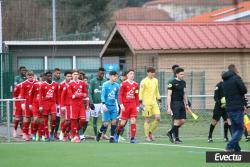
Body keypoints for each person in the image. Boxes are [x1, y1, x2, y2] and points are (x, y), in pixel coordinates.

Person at [222, 64, 247, 152]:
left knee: (235, 129)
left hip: (229, 108)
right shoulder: (236, 78)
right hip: (237, 107)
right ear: (234, 70)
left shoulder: (224, 81)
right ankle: (229, 147)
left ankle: (237, 149)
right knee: (240, 129)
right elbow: (244, 90)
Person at [115, 69, 139, 143]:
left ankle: (132, 138)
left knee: (133, 121)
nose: (132, 75)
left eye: (133, 74)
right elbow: (120, 95)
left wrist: (137, 106)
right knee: (122, 123)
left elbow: (136, 96)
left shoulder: (136, 85)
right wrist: (121, 104)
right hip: (125, 105)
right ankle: (117, 134)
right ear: (127, 75)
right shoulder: (123, 84)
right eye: (131, 73)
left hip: (133, 105)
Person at [167, 67, 189, 144]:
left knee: (183, 121)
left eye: (183, 74)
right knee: (176, 121)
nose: (183, 75)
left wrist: (186, 104)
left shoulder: (183, 82)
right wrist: (169, 107)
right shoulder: (172, 82)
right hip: (174, 103)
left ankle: (170, 132)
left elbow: (184, 94)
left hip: (181, 103)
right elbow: (169, 95)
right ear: (177, 74)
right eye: (181, 74)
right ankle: (176, 138)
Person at [208, 72, 232, 143]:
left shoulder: (229, 85)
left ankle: (226, 137)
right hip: (218, 107)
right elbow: (215, 97)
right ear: (222, 77)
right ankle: (210, 136)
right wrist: (220, 103)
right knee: (214, 122)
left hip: (226, 107)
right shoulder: (218, 85)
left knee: (227, 121)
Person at [96, 71, 119, 143]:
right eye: (114, 76)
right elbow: (102, 95)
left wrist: (118, 105)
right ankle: (99, 133)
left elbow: (117, 97)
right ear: (110, 76)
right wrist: (103, 104)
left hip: (113, 106)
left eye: (116, 76)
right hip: (106, 106)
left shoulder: (117, 86)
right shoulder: (105, 84)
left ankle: (112, 137)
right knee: (106, 123)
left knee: (114, 121)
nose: (116, 78)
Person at [139, 67, 161, 142]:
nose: (152, 74)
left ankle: (150, 132)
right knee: (147, 120)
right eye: (151, 72)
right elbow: (140, 92)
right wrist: (140, 101)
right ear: (147, 73)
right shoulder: (143, 81)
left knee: (158, 118)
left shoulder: (156, 80)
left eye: (153, 72)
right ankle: (147, 136)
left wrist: (159, 98)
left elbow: (157, 90)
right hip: (146, 103)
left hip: (154, 102)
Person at [67, 70, 88, 143]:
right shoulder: (70, 83)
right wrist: (79, 95)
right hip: (73, 105)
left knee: (83, 120)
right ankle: (75, 136)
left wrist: (77, 95)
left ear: (78, 75)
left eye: (77, 74)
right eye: (74, 74)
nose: (75, 75)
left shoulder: (82, 83)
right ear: (72, 76)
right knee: (74, 120)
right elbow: (71, 96)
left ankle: (74, 131)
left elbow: (85, 94)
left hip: (81, 104)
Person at [88, 68, 107, 139]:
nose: (102, 74)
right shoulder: (93, 81)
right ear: (98, 73)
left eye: (103, 73)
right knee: (95, 119)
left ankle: (103, 134)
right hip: (95, 103)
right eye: (101, 73)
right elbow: (89, 92)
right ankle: (96, 136)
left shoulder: (105, 81)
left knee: (106, 120)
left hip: (103, 103)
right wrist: (91, 102)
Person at [39, 71, 58, 141]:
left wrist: (58, 104)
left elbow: (57, 94)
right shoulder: (42, 85)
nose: (50, 77)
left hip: (53, 104)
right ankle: (47, 135)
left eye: (51, 76)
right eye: (48, 76)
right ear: (46, 77)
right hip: (45, 104)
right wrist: (40, 106)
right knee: (45, 120)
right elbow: (40, 96)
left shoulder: (55, 84)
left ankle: (52, 133)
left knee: (53, 119)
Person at [20, 71, 37, 141]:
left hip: (34, 103)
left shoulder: (36, 82)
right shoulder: (24, 84)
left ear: (34, 76)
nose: (31, 77)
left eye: (32, 76)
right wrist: (22, 103)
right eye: (29, 76)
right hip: (27, 103)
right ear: (27, 76)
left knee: (34, 119)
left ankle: (33, 134)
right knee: (27, 118)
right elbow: (22, 94)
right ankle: (25, 133)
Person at [29, 73, 46, 141]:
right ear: (40, 77)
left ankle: (41, 135)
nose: (43, 78)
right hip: (35, 104)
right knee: (35, 119)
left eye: (44, 77)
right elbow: (31, 94)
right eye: (42, 77)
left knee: (42, 121)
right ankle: (34, 133)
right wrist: (30, 104)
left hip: (43, 104)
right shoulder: (35, 84)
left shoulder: (46, 85)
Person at [59, 71, 73, 141]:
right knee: (64, 120)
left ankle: (68, 133)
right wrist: (61, 106)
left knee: (72, 120)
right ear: (65, 77)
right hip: (64, 105)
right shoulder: (62, 84)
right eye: (68, 76)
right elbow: (60, 96)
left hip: (72, 105)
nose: (69, 78)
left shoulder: (73, 83)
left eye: (70, 76)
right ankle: (62, 132)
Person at [53, 68, 63, 140]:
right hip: (53, 102)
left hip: (61, 102)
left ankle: (56, 133)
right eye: (57, 73)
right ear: (54, 73)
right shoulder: (51, 81)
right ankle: (51, 133)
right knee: (53, 119)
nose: (58, 74)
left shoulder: (62, 81)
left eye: (59, 73)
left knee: (58, 118)